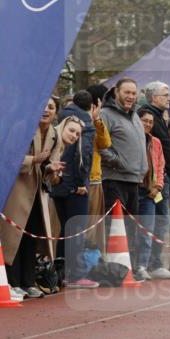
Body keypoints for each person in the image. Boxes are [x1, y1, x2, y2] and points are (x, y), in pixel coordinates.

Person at [0, 96, 59, 301]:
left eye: (51, 107)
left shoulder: (54, 134)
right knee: (13, 236)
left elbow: (52, 164)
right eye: (43, 105)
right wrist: (34, 160)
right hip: (17, 189)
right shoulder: (22, 128)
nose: (46, 110)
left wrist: (52, 169)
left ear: (55, 112)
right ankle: (12, 282)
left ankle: (29, 281)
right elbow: (7, 156)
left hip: (38, 194)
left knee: (32, 237)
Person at [44, 115, 97, 288]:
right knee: (76, 231)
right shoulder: (59, 142)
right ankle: (75, 275)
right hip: (71, 191)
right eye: (72, 131)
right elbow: (83, 160)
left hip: (60, 191)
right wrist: (78, 185)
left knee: (68, 232)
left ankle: (62, 273)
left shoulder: (59, 142)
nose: (75, 136)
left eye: (77, 133)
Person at [99, 78, 148, 219]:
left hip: (134, 181)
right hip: (114, 181)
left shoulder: (135, 116)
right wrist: (117, 162)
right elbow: (98, 144)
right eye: (127, 92)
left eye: (133, 93)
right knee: (114, 229)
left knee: (130, 230)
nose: (131, 96)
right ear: (116, 92)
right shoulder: (105, 114)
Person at [141, 82, 170, 274]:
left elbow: (163, 148)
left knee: (161, 221)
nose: (169, 98)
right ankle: (150, 264)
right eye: (165, 94)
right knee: (155, 221)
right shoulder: (148, 116)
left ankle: (153, 263)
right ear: (153, 97)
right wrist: (160, 179)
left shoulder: (159, 118)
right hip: (154, 180)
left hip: (164, 178)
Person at [135, 107, 170, 280]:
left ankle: (143, 265)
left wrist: (158, 186)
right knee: (130, 229)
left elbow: (160, 164)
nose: (148, 124)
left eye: (151, 122)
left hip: (150, 192)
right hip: (133, 189)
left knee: (147, 230)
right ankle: (129, 265)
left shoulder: (155, 142)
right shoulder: (132, 139)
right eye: (145, 121)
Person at [85, 84, 112, 251]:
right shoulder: (79, 120)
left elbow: (105, 143)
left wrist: (97, 120)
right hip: (87, 179)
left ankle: (90, 261)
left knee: (94, 227)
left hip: (96, 178)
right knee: (86, 226)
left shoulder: (97, 120)